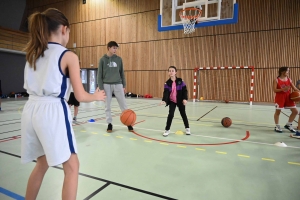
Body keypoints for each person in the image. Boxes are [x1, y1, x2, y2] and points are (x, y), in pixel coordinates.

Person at [21, 8, 106, 200]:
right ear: (64, 30)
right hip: (52, 111)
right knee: (72, 166)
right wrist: (96, 96)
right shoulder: (68, 55)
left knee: (41, 163)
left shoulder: (32, 53)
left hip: (30, 110)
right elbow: (81, 95)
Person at [97, 41, 133, 133]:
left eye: (116, 48)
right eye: (113, 48)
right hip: (106, 85)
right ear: (108, 48)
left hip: (118, 84)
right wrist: (101, 88)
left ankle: (129, 123)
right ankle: (109, 124)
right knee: (107, 106)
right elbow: (99, 75)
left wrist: (124, 85)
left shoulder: (119, 59)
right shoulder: (102, 60)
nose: (115, 49)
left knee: (123, 104)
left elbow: (122, 73)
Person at [160, 66, 190, 136]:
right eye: (169, 71)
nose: (171, 72)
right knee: (170, 115)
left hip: (180, 101)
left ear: (175, 72)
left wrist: (185, 99)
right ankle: (167, 130)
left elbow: (185, 90)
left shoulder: (181, 81)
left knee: (183, 115)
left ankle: (187, 128)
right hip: (172, 101)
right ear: (168, 73)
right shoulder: (167, 83)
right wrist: (164, 100)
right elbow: (166, 92)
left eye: (172, 71)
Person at [273, 67, 299, 133]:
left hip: (288, 97)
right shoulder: (276, 80)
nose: (288, 72)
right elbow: (274, 90)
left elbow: (295, 88)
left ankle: (288, 124)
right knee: (278, 112)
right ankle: (277, 126)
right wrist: (283, 89)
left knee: (295, 111)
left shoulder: (289, 79)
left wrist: (299, 92)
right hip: (280, 97)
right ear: (282, 71)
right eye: (287, 71)